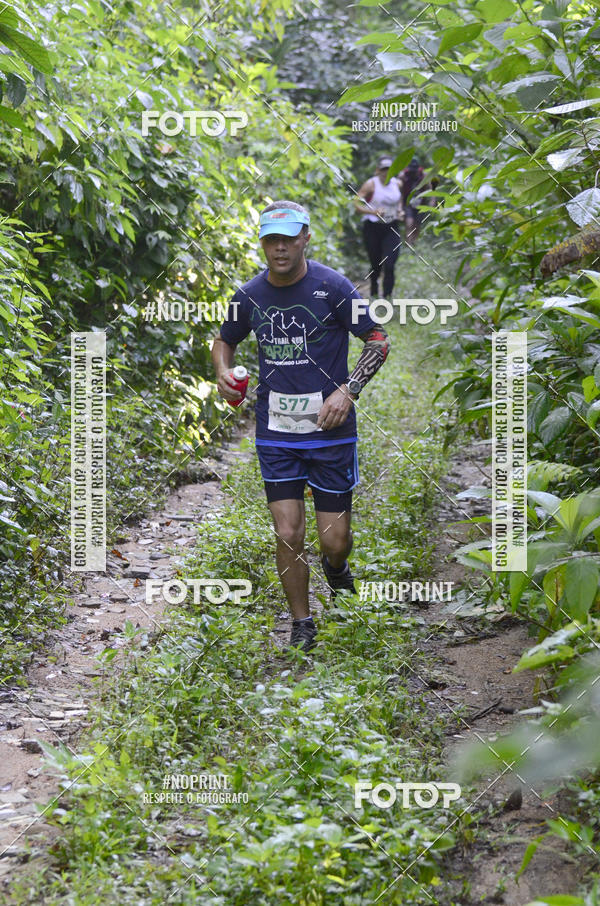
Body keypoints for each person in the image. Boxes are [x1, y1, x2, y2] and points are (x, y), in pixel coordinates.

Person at [211, 200, 390, 654]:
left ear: (306, 237)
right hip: (276, 431)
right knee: (288, 532)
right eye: (272, 240)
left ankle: (336, 570)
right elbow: (223, 341)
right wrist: (223, 372)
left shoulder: (333, 288)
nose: (280, 248)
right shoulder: (249, 295)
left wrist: (348, 390)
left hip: (331, 431)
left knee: (335, 540)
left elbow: (377, 339)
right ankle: (302, 623)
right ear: (263, 244)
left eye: (289, 238)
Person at [354, 156, 404, 299]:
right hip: (373, 228)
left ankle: (387, 296)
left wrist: (400, 210)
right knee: (376, 264)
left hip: (391, 227)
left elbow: (399, 200)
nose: (386, 173)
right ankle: (374, 290)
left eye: (389, 170)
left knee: (390, 264)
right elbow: (356, 203)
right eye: (383, 170)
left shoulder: (397, 183)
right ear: (378, 171)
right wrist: (372, 212)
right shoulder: (371, 184)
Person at [400, 157, 431, 246]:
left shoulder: (424, 175)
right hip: (408, 203)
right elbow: (401, 192)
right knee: (409, 223)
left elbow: (431, 188)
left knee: (417, 224)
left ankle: (414, 242)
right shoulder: (403, 176)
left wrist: (432, 200)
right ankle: (408, 243)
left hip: (421, 203)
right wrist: (400, 206)